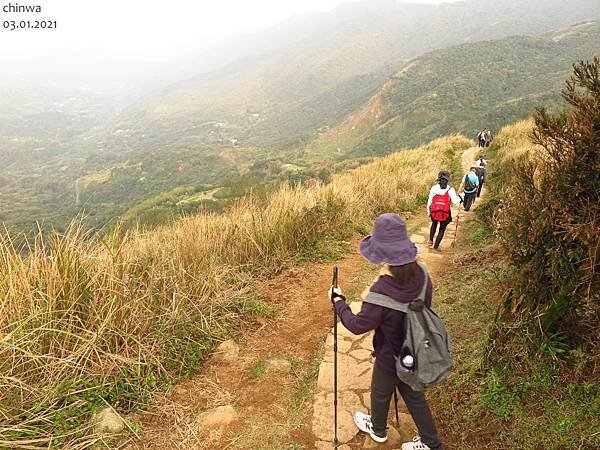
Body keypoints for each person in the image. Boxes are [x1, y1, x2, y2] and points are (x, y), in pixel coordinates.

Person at [330, 213, 444, 450]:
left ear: (381, 254)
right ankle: (431, 443)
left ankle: (379, 430)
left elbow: (357, 325)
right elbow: (425, 306)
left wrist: (339, 302)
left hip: (389, 355)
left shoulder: (381, 291)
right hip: (415, 350)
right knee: (414, 395)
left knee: (380, 392)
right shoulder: (423, 275)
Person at [426, 170, 462, 250]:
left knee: (434, 223)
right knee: (442, 229)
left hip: (434, 211)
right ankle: (436, 246)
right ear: (448, 179)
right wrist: (461, 197)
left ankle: (430, 240)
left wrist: (429, 211)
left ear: (438, 179)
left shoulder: (434, 188)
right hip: (445, 212)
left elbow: (430, 200)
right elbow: (455, 201)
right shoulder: (450, 189)